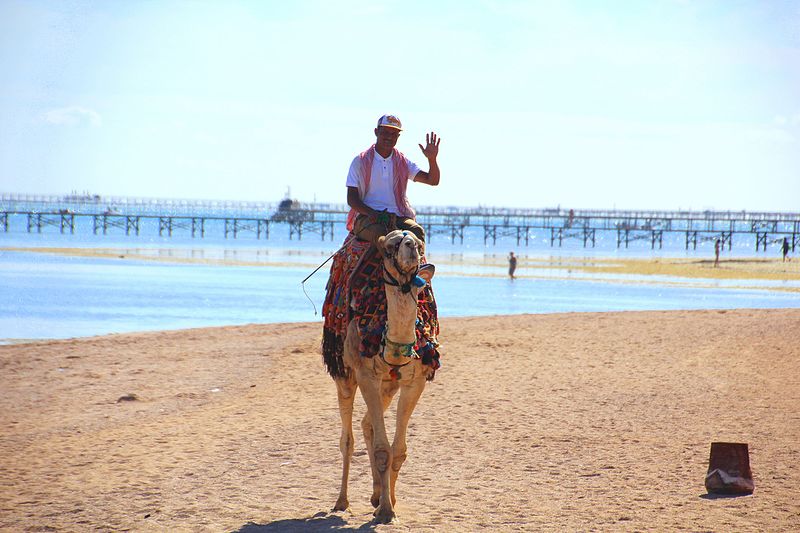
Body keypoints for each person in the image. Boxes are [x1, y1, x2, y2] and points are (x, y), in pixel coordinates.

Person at [345, 115, 440, 246]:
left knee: (417, 231)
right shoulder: (360, 161)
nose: (389, 137)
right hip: (367, 218)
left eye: (394, 134)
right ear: (376, 132)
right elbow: (352, 199)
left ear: (398, 137)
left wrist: (432, 159)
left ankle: (419, 266)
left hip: (398, 216)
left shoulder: (403, 162)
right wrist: (372, 213)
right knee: (382, 235)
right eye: (385, 132)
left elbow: (432, 180)